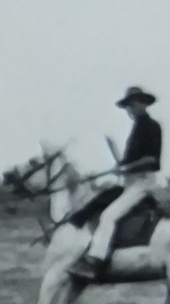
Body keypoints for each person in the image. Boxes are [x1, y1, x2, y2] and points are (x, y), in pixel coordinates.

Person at [68, 86, 163, 280]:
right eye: (128, 106)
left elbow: (152, 160)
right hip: (130, 183)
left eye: (133, 104)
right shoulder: (136, 127)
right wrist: (121, 165)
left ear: (143, 104)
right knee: (100, 200)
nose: (130, 109)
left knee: (109, 216)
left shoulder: (152, 127)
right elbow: (130, 160)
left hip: (142, 184)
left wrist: (127, 167)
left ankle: (94, 261)